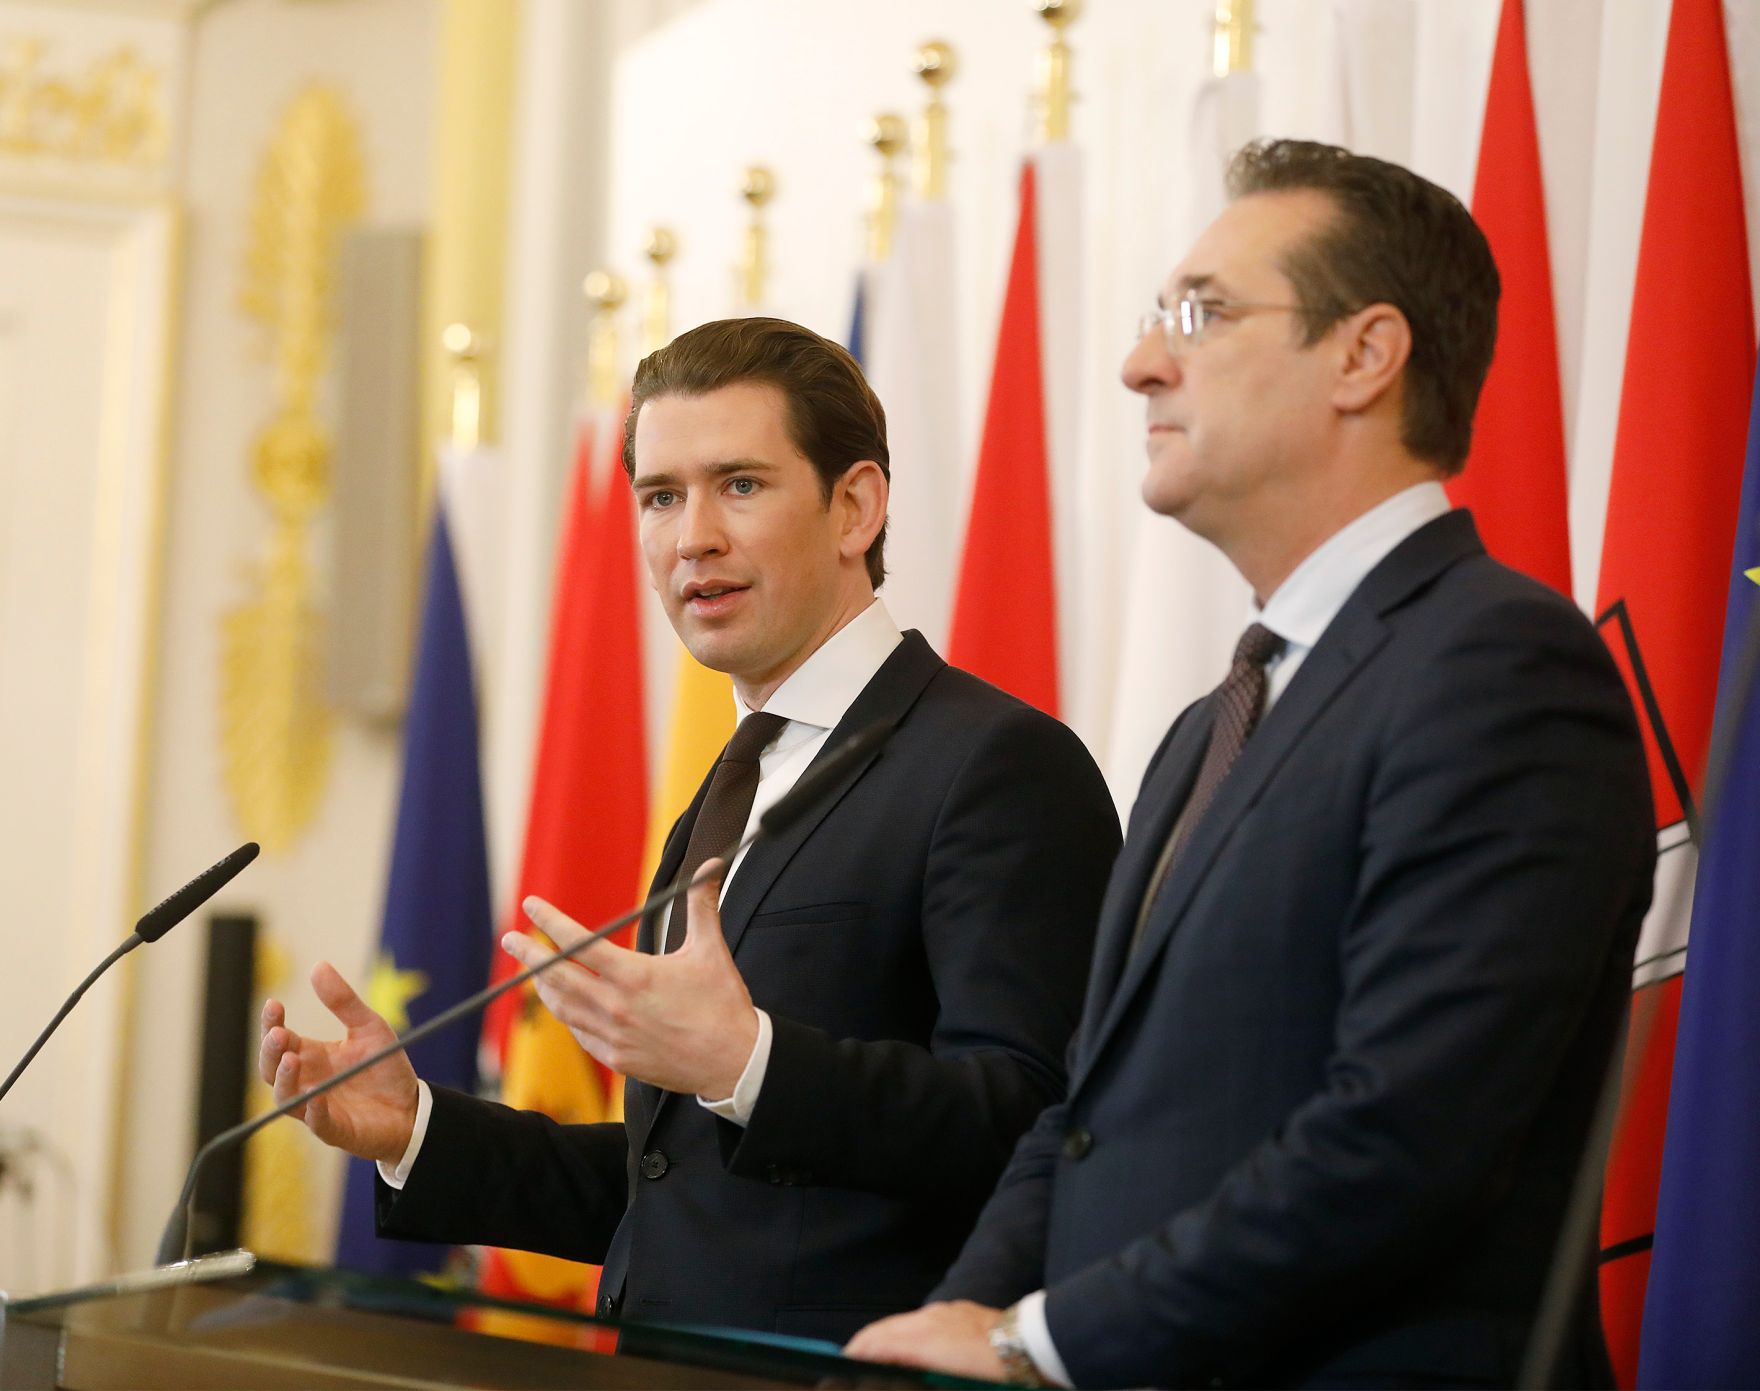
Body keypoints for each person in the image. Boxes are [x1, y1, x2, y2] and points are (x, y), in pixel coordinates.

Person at [847, 139, 1655, 1388]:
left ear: (1362, 354)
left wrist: (1033, 1340)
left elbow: (1402, 1136)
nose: (1138, 363)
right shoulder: (1210, 720)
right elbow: (1082, 1111)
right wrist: (949, 1321)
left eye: (1200, 314)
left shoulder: (1500, 668)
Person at [259, 316, 1121, 1342]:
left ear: (854, 507)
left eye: (739, 485)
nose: (690, 536)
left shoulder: (991, 764)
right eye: (660, 496)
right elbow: (674, 1186)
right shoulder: (722, 793)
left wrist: (746, 1059)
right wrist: (420, 1129)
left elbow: (1037, 1122)